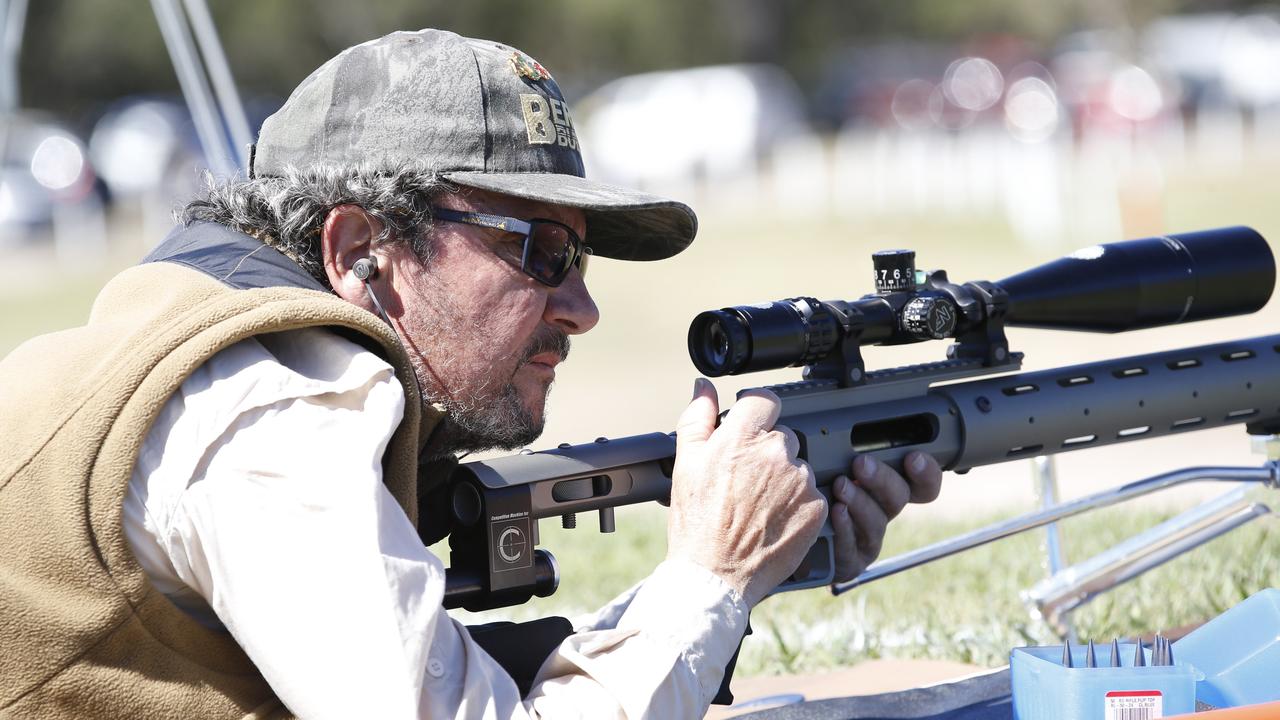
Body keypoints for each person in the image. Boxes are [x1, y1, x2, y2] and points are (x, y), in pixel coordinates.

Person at [0, 28, 941, 719]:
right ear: (363, 250)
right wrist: (709, 581)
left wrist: (740, 572)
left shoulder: (212, 344)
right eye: (537, 252)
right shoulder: (270, 413)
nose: (581, 308)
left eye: (581, 261)